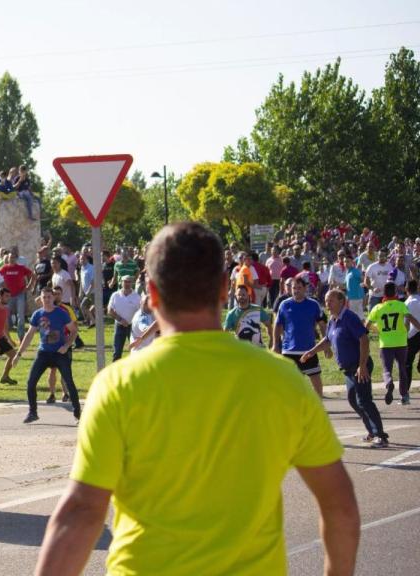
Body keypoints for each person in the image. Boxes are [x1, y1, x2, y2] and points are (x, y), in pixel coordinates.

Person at [34, 222, 357, 576]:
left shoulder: (118, 386)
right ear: (223, 288)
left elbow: (82, 513)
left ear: (152, 294)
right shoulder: (282, 380)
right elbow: (338, 503)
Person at [301, 289, 389, 447]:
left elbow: (364, 339)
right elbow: (327, 340)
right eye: (326, 300)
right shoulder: (333, 320)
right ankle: (371, 431)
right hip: (349, 370)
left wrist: (362, 366)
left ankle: (380, 436)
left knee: (364, 401)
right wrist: (312, 351)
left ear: (341, 301)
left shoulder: (349, 317)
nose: (327, 303)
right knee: (353, 400)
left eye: (331, 300)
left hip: (359, 366)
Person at [14, 286, 80, 424]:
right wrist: (18, 354)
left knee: (69, 382)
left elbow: (74, 331)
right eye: (44, 297)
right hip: (43, 353)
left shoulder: (61, 313)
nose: (47, 300)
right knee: (31, 382)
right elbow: (29, 335)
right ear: (41, 299)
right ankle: (33, 412)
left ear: (53, 298)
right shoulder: (37, 314)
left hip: (59, 353)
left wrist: (66, 346)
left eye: (49, 297)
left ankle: (78, 414)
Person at [366, 281, 420, 405]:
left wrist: (376, 328)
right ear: (395, 292)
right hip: (401, 342)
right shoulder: (401, 305)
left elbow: (367, 326)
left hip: (386, 343)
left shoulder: (378, 308)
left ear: (384, 294)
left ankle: (389, 382)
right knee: (402, 368)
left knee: (386, 369)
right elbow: (411, 319)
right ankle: (404, 395)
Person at [273, 277, 327, 396]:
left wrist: (326, 346)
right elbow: (277, 325)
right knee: (289, 382)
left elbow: (322, 325)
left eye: (299, 288)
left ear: (305, 288)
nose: (296, 290)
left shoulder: (313, 304)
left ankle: (318, 406)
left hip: (309, 351)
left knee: (316, 380)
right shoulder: (284, 304)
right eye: (294, 288)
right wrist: (275, 345)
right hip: (289, 351)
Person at [0, 253, 34, 340]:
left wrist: (29, 287)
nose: (12, 259)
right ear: (7, 258)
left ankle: (21, 337)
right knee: (6, 315)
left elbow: (33, 275)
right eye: (10, 257)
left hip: (20, 294)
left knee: (21, 316)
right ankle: (6, 337)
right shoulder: (4, 268)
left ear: (16, 259)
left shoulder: (21, 268)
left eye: (13, 257)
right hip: (8, 296)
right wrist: (2, 287)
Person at [107, 275, 140, 361]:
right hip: (119, 326)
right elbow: (109, 310)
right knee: (117, 352)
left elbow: (140, 312)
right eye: (125, 281)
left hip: (132, 327)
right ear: (121, 282)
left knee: (135, 350)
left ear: (132, 283)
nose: (127, 283)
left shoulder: (137, 296)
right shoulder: (115, 295)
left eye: (129, 281)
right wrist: (120, 319)